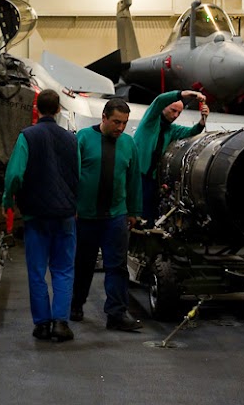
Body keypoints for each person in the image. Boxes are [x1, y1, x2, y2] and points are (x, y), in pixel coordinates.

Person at [2, 89, 79, 343]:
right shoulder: (71, 139)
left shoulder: (27, 137)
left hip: (36, 215)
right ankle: (61, 323)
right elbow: (78, 175)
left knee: (36, 271)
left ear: (37, 108)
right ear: (58, 110)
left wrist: (8, 200)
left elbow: (14, 175)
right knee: (64, 269)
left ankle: (42, 324)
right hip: (65, 215)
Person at [70, 98, 145, 332]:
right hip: (85, 216)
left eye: (124, 123)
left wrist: (134, 211)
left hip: (116, 216)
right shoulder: (82, 138)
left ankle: (117, 314)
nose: (120, 128)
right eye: (116, 122)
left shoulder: (129, 144)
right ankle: (75, 305)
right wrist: (70, 206)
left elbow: (134, 180)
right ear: (103, 117)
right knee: (83, 264)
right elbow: (71, 175)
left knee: (117, 266)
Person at [134, 90, 209, 222]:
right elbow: (159, 100)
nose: (175, 115)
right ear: (164, 107)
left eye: (179, 113)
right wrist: (183, 94)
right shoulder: (150, 121)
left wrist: (202, 121)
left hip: (153, 180)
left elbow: (191, 132)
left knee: (149, 216)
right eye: (173, 110)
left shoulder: (171, 129)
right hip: (137, 176)